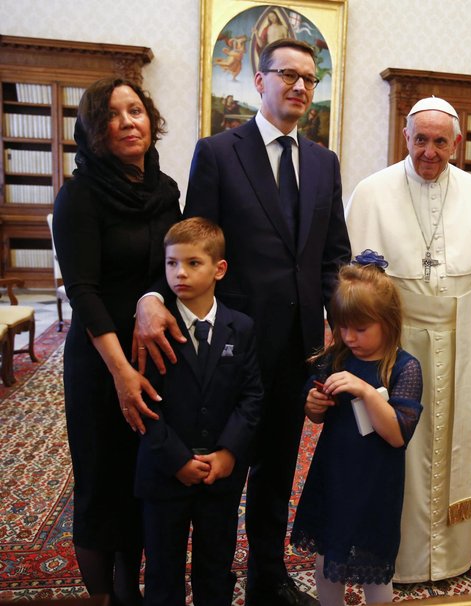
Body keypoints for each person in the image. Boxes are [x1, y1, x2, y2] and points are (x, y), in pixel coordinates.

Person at [134, 38, 350, 606]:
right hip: (231, 346)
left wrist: (342, 329)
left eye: (309, 79)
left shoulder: (324, 163)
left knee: (277, 471)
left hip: (299, 347)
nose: (300, 86)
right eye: (287, 75)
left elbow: (333, 255)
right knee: (225, 466)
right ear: (259, 81)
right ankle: (212, 582)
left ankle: (267, 579)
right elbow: (195, 247)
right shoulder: (218, 152)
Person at [344, 96, 471, 582]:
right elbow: (353, 284)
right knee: (397, 441)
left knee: (457, 443)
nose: (429, 152)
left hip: (462, 342)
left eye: (441, 142)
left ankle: (452, 552)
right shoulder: (372, 192)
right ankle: (397, 555)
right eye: (420, 139)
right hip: (395, 341)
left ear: (457, 143)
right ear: (406, 137)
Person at [52, 77, 181, 605]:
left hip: (155, 356)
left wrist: (152, 297)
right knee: (102, 488)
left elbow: (171, 266)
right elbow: (83, 291)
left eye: (136, 110)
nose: (129, 122)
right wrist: (121, 371)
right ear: (93, 130)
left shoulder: (166, 190)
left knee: (142, 482)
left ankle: (132, 594)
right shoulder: (79, 195)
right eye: (113, 114)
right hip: (101, 361)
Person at [135, 218, 262, 606]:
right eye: (172, 263)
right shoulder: (152, 329)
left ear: (219, 269)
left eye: (193, 263)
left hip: (220, 475)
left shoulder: (241, 327)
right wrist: (176, 460)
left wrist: (228, 452)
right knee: (162, 569)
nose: (180, 273)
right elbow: (144, 401)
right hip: (164, 471)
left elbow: (252, 397)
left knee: (215, 564)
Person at [290, 251, 423, 606]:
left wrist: (365, 391)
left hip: (375, 484)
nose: (349, 336)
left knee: (372, 568)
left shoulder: (404, 369)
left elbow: (397, 434)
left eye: (360, 329)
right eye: (341, 326)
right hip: (333, 475)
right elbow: (315, 415)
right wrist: (313, 405)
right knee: (326, 563)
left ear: (388, 321)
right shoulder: (335, 359)